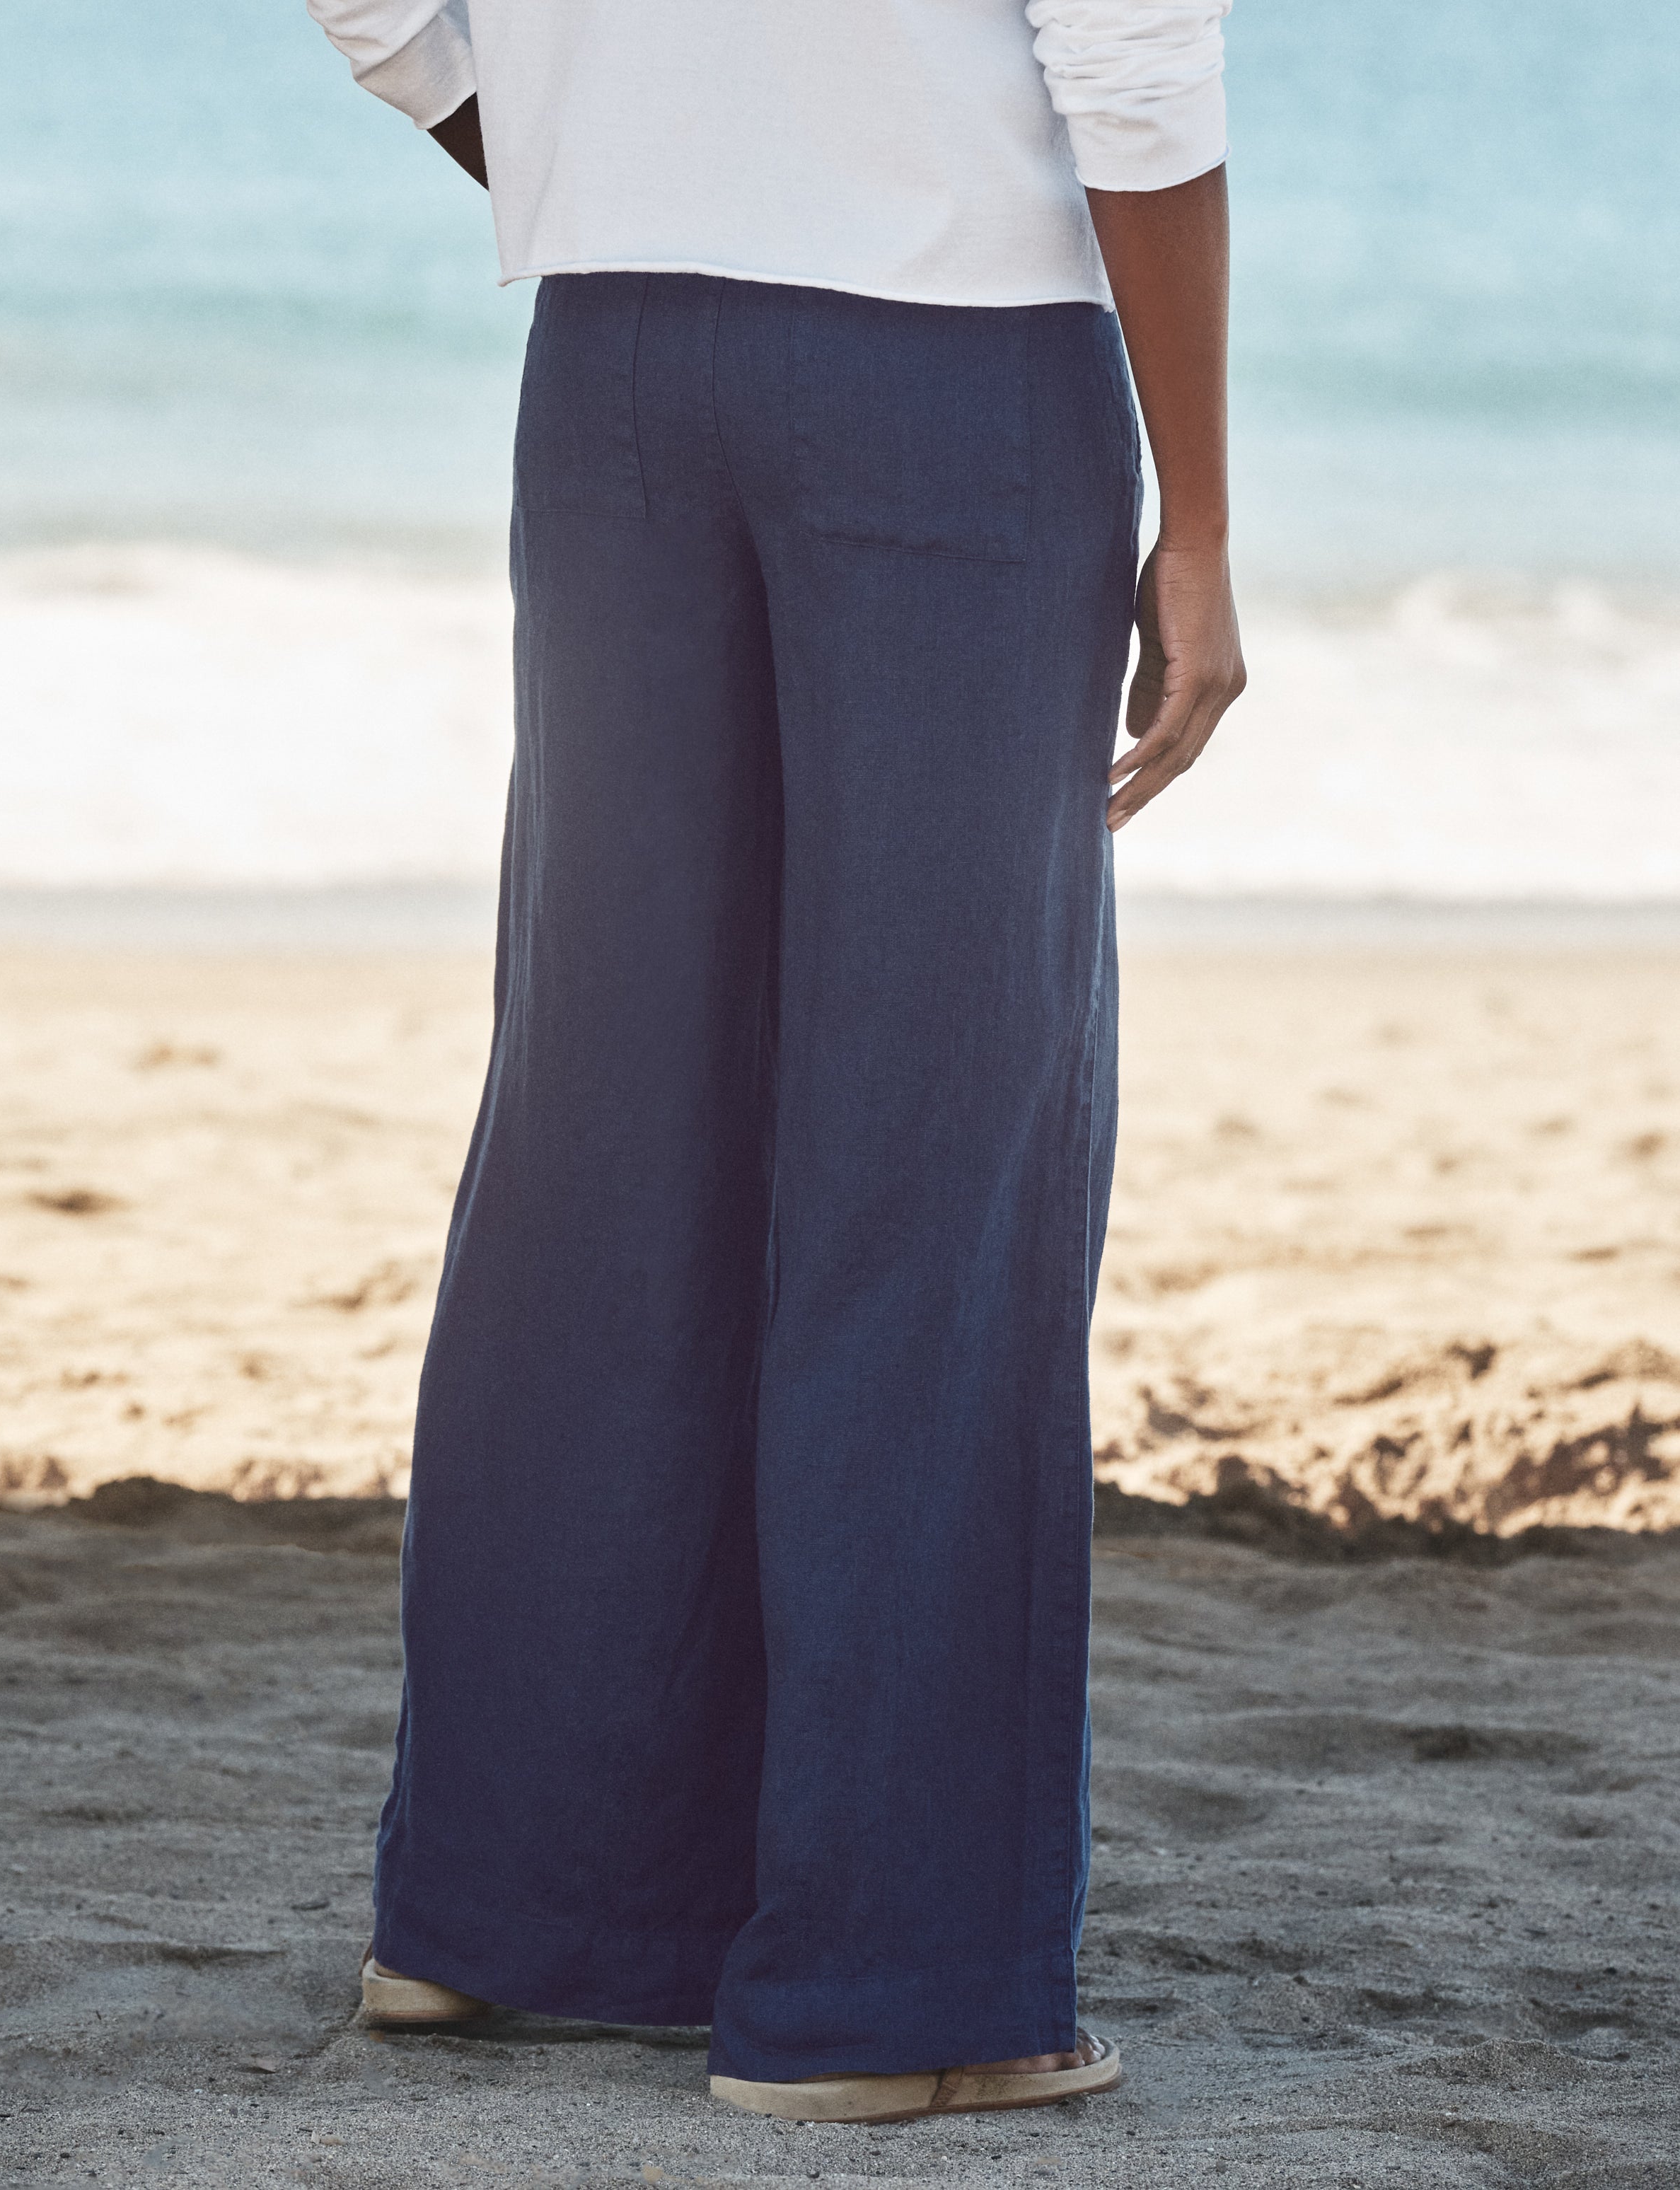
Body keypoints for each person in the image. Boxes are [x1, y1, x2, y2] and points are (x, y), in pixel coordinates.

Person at [306, 0, 1245, 2127]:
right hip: (953, 369)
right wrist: (1192, 526)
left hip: (617, 364)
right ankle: (902, 1987)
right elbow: (1129, 60)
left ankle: (523, 1917)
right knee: (931, 1167)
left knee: (603, 1148)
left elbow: (371, 1)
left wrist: (618, 173)